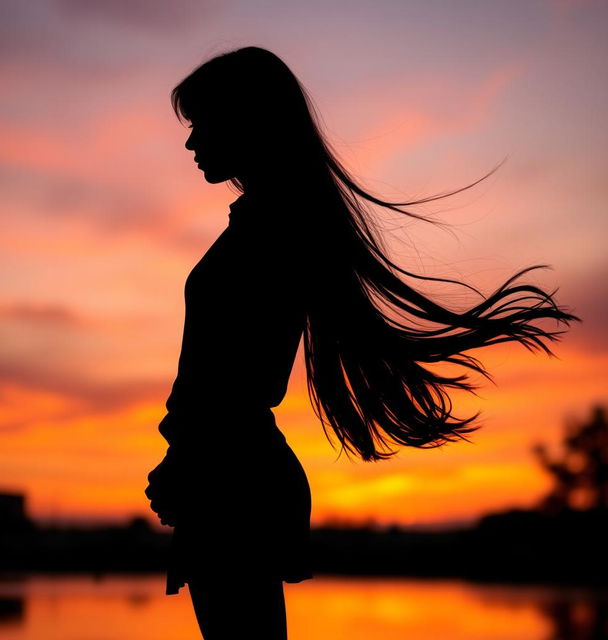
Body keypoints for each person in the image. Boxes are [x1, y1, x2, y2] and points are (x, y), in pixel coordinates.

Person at [145, 46, 581, 639]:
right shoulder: (271, 224)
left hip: (230, 478)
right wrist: (183, 455)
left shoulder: (272, 231)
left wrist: (187, 458)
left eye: (200, 124)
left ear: (244, 121)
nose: (192, 144)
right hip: (229, 470)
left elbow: (228, 381)